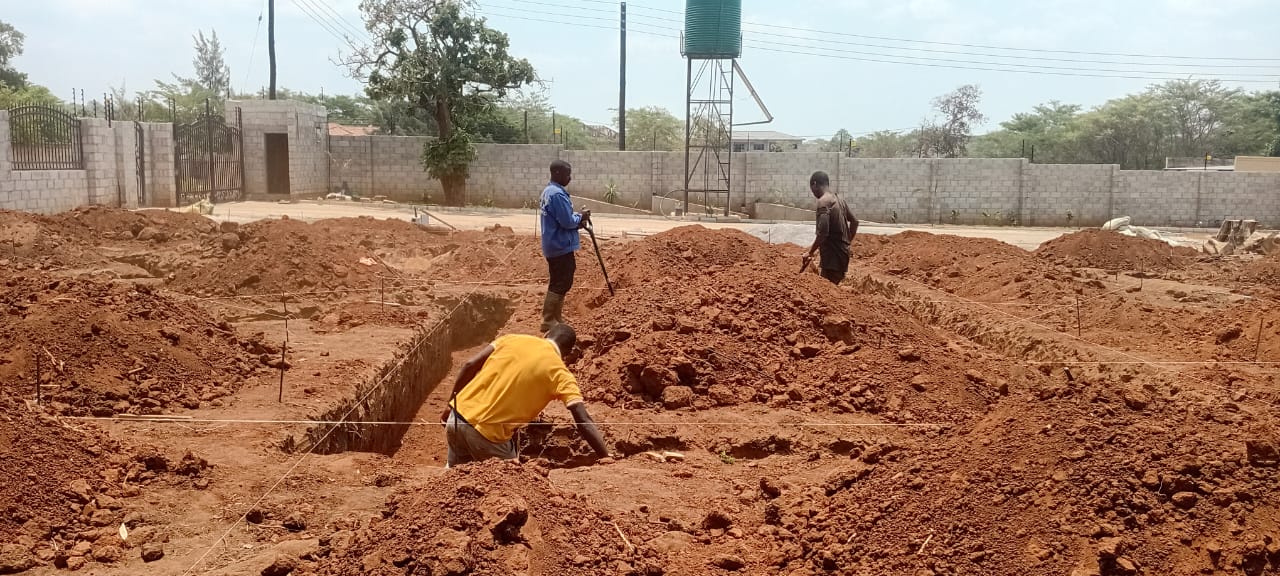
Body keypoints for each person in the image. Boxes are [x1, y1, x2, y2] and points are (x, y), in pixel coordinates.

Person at [439, 324, 610, 467]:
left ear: (546, 334)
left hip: (456, 419)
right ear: (569, 352)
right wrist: (605, 455)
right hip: (487, 435)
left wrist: (450, 405)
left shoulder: (511, 339)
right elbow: (583, 418)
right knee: (512, 488)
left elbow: (469, 365)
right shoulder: (561, 374)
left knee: (455, 485)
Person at [539, 160, 591, 332]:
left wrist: (576, 217)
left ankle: (556, 317)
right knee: (561, 281)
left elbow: (562, 216)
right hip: (559, 245)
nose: (570, 177)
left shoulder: (549, 192)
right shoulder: (557, 195)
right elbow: (567, 221)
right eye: (568, 174)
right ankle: (548, 319)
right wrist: (581, 218)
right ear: (558, 174)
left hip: (553, 244)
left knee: (560, 280)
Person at [803, 170, 859, 284]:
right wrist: (847, 243)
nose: (813, 193)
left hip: (832, 258)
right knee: (828, 291)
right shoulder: (840, 200)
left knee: (827, 292)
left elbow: (823, 232)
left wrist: (810, 252)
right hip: (842, 255)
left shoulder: (823, 202)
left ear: (814, 184)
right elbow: (855, 222)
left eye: (812, 189)